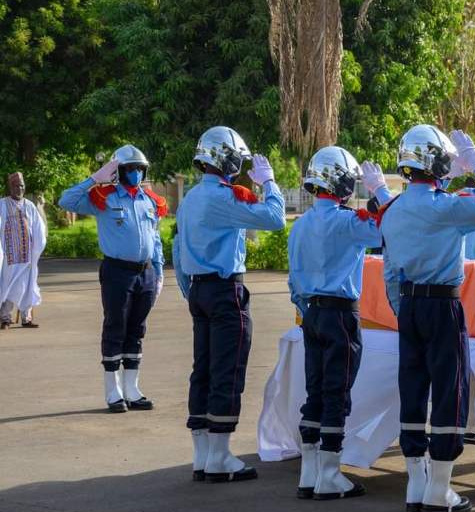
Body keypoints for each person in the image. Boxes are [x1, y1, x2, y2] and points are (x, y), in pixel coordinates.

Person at [380, 124, 475, 512]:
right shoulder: (445, 207)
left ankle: (415, 485)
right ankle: (440, 490)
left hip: (408, 306)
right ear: (439, 163)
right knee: (449, 391)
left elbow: (390, 273)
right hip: (442, 306)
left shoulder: (392, 210)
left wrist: (402, 310)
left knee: (412, 389)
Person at [173, 126, 285, 483]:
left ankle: (203, 455)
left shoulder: (190, 198)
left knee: (203, 370)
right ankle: (220, 457)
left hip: (199, 290)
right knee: (227, 371)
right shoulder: (222, 198)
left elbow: (177, 250)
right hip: (224, 292)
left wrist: (190, 291)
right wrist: (269, 184)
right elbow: (275, 219)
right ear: (227, 160)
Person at [287, 147, 389, 500]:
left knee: (314, 391)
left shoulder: (299, 226)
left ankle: (310, 472)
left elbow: (293, 280)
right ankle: (330, 474)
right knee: (336, 393)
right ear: (343, 183)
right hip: (340, 313)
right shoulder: (348, 222)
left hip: (311, 313)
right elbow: (387, 233)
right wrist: (380, 193)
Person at [59, 146, 166, 412]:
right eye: (130, 169)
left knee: (137, 330)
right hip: (117, 272)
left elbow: (155, 238)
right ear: (118, 172)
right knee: (115, 328)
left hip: (146, 272)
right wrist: (95, 178)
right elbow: (66, 200)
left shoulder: (149, 200)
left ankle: (132, 389)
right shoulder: (102, 197)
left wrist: (159, 271)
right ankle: (113, 391)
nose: (136, 173)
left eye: (140, 169)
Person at [0, 172, 47, 329]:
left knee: (27, 286)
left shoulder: (30, 205)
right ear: (10, 188)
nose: (19, 188)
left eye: (21, 186)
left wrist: (37, 249)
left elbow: (38, 229)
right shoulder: (2, 204)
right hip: (9, 258)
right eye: (15, 186)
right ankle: (5, 318)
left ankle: (26, 319)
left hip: (27, 257)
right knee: (8, 286)